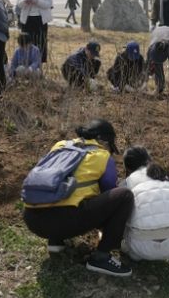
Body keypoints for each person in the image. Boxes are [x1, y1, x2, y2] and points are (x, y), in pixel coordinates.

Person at [23, 119, 134, 277]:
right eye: (110, 145)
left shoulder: (60, 145)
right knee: (124, 196)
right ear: (103, 141)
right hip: (65, 221)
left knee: (66, 190)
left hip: (32, 218)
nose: (109, 149)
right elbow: (109, 191)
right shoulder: (102, 155)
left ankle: (56, 241)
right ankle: (101, 257)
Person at [121, 146, 169, 262]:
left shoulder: (127, 182)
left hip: (141, 246)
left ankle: (133, 252)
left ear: (127, 166)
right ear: (148, 159)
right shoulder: (168, 175)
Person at [16, 0, 52, 65]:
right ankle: (25, 63)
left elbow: (49, 4)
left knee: (40, 43)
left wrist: (37, 1)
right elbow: (19, 4)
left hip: (40, 19)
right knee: (26, 42)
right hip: (27, 19)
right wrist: (25, 1)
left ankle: (38, 64)